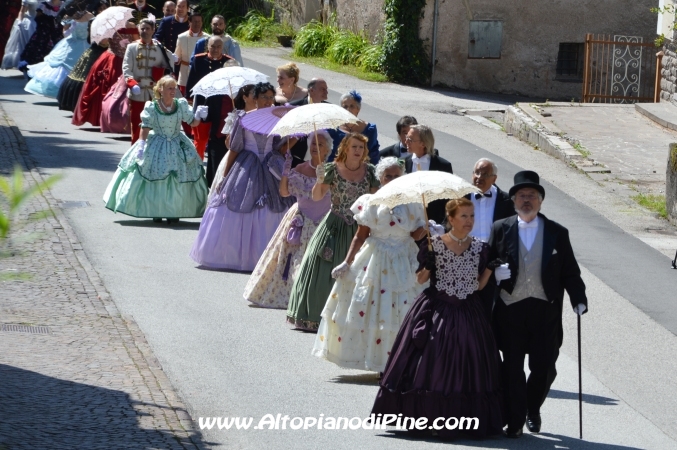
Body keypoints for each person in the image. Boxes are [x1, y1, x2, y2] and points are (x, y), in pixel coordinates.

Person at [371, 197, 504, 439]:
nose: (469, 221)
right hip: (437, 309)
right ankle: (427, 417)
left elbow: (477, 286)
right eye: (464, 216)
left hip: (469, 312)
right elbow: (420, 280)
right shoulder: (434, 245)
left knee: (471, 363)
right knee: (429, 361)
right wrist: (429, 266)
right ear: (450, 219)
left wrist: (489, 269)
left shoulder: (480, 247)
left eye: (472, 216)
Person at [488, 170, 588, 438]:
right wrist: (495, 274)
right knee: (512, 367)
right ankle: (516, 419)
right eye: (522, 196)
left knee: (544, 367)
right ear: (514, 200)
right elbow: (488, 262)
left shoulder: (557, 232)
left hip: (545, 309)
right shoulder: (500, 228)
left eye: (532, 196)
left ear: (541, 200)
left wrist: (579, 299)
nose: (527, 200)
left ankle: (533, 408)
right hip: (511, 309)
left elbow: (570, 272)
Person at [312, 157, 428, 372]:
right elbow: (360, 235)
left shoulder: (413, 203)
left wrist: (427, 227)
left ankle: (397, 363)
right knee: (369, 308)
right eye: (388, 176)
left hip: (404, 259)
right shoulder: (369, 201)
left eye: (396, 176)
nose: (392, 179)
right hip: (374, 260)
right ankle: (376, 361)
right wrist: (347, 262)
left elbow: (416, 235)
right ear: (380, 178)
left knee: (404, 309)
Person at [189, 82, 295, 272]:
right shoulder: (244, 119)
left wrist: (293, 137)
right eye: (264, 97)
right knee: (239, 204)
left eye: (271, 97)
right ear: (255, 99)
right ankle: (238, 256)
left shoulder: (277, 120)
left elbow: (279, 147)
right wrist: (225, 175)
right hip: (247, 166)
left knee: (277, 205)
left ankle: (268, 257)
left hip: (271, 166)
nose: (268, 101)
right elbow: (235, 148)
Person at [286, 132, 380, 331]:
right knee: (320, 266)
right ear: (345, 148)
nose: (358, 151)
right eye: (354, 146)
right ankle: (313, 316)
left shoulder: (370, 172)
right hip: (334, 224)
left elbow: (375, 200)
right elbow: (317, 196)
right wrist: (320, 180)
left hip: (360, 228)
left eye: (361, 147)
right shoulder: (331, 169)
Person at [243, 131, 333, 309]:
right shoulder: (300, 169)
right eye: (313, 143)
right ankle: (291, 296)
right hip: (301, 218)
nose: (315, 147)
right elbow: (284, 192)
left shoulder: (332, 170)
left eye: (320, 144)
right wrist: (286, 172)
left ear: (328, 149)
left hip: (323, 220)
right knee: (291, 259)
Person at [103, 75, 209, 221]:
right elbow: (145, 127)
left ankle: (174, 212)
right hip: (157, 144)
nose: (173, 91)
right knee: (155, 175)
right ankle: (156, 211)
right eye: (170, 88)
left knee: (178, 176)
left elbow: (192, 123)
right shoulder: (152, 107)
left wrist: (198, 116)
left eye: (174, 88)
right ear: (161, 89)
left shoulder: (181, 104)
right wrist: (141, 145)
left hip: (177, 144)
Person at [465, 158, 514, 318]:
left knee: (488, 313)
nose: (479, 177)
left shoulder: (506, 202)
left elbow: (511, 236)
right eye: (477, 172)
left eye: (485, 174)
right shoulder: (461, 197)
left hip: (492, 264)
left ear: (494, 178)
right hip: (464, 260)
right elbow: (449, 225)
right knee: (464, 311)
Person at [186, 35, 238, 169]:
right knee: (201, 139)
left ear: (223, 48)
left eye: (218, 47)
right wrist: (191, 105)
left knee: (217, 140)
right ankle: (196, 168)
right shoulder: (199, 60)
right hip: (203, 104)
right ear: (207, 47)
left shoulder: (229, 61)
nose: (215, 49)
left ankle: (215, 169)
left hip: (221, 107)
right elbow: (191, 84)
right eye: (212, 46)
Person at [73, 23, 137, 128]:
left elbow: (138, 41)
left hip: (126, 59)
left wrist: (129, 44)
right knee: (102, 87)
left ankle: (115, 118)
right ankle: (101, 118)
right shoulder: (108, 25)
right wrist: (109, 34)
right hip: (111, 58)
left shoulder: (132, 26)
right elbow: (102, 42)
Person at [122, 18, 174, 143]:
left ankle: (150, 155)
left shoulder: (159, 48)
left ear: (153, 30)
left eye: (147, 29)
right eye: (142, 28)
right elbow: (126, 68)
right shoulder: (131, 47)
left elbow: (168, 67)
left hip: (154, 94)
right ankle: (135, 154)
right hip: (137, 93)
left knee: (154, 127)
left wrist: (170, 59)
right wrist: (132, 84)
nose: (144, 31)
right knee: (137, 124)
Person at [24, 9, 92, 98]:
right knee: (62, 66)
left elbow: (67, 33)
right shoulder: (76, 15)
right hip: (74, 44)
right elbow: (66, 33)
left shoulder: (85, 15)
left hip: (80, 44)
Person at [401, 124, 452, 224]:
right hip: (407, 221)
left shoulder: (442, 166)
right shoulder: (402, 163)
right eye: (406, 137)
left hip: (433, 223)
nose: (406, 141)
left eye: (410, 139)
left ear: (423, 143)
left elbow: (447, 199)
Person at [57, 34, 108, 111]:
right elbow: (94, 41)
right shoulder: (98, 28)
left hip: (101, 55)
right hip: (95, 54)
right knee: (83, 77)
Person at [327, 91, 380, 164]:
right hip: (338, 168)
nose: (348, 109)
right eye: (345, 107)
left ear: (358, 109)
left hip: (361, 169)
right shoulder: (334, 128)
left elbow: (373, 154)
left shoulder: (369, 129)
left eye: (352, 106)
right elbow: (331, 153)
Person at [18, 0, 63, 75]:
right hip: (43, 35)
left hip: (57, 35)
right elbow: (38, 19)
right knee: (37, 55)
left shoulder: (63, 5)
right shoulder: (44, 5)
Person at [174, 11, 205, 96]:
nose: (197, 24)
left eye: (199, 21)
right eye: (195, 21)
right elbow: (176, 57)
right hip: (185, 73)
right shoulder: (181, 37)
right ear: (189, 22)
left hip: (201, 73)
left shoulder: (207, 38)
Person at [1, 0, 39, 69]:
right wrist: (19, 21)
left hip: (39, 22)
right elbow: (22, 11)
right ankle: (22, 62)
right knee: (21, 44)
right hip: (29, 23)